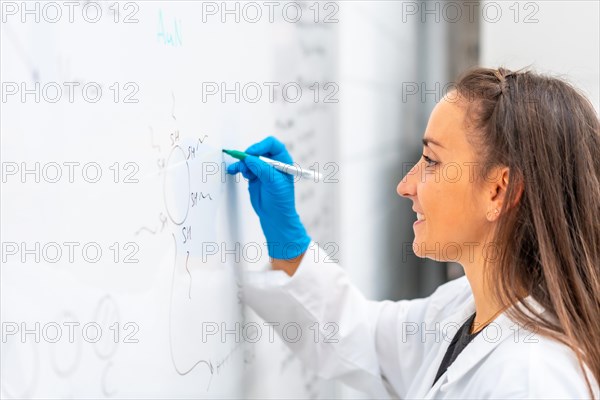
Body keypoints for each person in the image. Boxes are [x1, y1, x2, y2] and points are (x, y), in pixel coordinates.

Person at [226, 67, 600, 399]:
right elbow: (360, 336)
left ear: (498, 191)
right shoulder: (463, 308)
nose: (405, 186)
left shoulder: (533, 382)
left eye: (432, 162)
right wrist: (288, 240)